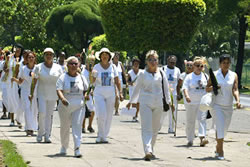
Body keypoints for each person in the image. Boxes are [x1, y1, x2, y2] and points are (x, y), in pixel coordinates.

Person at [127, 50, 172, 161]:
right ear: (147, 61)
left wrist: (169, 102)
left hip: (158, 103)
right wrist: (131, 101)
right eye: (150, 60)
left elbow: (166, 89)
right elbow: (137, 89)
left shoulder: (161, 73)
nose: (153, 62)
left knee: (156, 128)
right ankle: (147, 150)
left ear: (158, 61)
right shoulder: (142, 73)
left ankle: (151, 147)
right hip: (145, 102)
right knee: (146, 127)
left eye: (155, 60)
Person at [206, 54, 241, 160]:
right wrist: (214, 87)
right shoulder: (214, 74)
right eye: (223, 63)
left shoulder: (233, 75)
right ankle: (221, 150)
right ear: (220, 64)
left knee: (224, 129)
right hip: (217, 105)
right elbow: (207, 88)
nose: (226, 65)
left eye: (228, 63)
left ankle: (217, 146)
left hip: (228, 106)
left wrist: (237, 100)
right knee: (220, 126)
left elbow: (235, 89)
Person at [56, 56, 88, 158]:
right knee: (65, 127)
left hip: (78, 106)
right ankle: (64, 146)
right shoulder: (62, 77)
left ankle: (77, 148)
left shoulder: (82, 77)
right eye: (71, 64)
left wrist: (87, 95)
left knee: (77, 126)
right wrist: (62, 99)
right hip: (65, 106)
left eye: (75, 64)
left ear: (78, 65)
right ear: (67, 65)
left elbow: (86, 89)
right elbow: (59, 90)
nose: (73, 66)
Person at [30, 48, 63, 143]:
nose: (49, 56)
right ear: (44, 56)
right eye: (47, 54)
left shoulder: (58, 68)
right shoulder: (38, 67)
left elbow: (62, 81)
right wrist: (31, 93)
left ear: (53, 56)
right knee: (42, 113)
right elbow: (34, 81)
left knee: (49, 115)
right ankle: (40, 133)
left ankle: (47, 135)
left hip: (53, 94)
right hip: (42, 94)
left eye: (50, 54)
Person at [92, 48, 123, 143]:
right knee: (101, 114)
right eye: (103, 54)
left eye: (106, 54)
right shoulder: (96, 67)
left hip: (110, 92)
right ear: (100, 57)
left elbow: (117, 81)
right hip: (99, 92)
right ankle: (100, 134)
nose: (104, 56)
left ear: (109, 56)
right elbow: (92, 81)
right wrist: (91, 73)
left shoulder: (113, 67)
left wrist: (120, 92)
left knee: (109, 115)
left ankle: (104, 135)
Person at [182, 56, 208, 147]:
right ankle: (190, 139)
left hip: (202, 102)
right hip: (191, 103)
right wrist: (187, 96)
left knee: (202, 119)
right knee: (190, 121)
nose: (199, 67)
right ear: (193, 66)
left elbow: (208, 88)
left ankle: (202, 138)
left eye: (201, 66)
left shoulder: (205, 76)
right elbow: (184, 88)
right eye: (197, 65)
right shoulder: (189, 77)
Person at [12, 51, 38, 136]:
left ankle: (33, 127)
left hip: (35, 91)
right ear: (26, 59)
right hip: (25, 91)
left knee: (34, 110)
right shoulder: (23, 69)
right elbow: (20, 81)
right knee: (27, 108)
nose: (30, 59)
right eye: (29, 57)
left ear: (35, 59)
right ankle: (28, 129)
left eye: (32, 57)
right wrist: (14, 79)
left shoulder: (37, 68)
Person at [160, 55, 180, 133]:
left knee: (173, 111)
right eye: (171, 62)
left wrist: (178, 94)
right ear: (168, 61)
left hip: (174, 94)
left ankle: (171, 128)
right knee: (163, 111)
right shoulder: (163, 69)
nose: (172, 63)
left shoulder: (177, 70)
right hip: (164, 94)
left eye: (174, 62)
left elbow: (178, 84)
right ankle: (158, 126)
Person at [81, 54, 96, 133]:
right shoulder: (83, 71)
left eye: (93, 61)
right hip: (84, 92)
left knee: (92, 110)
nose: (91, 63)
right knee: (84, 110)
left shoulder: (94, 71)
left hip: (91, 93)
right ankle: (82, 127)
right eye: (89, 61)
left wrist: (93, 90)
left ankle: (89, 125)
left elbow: (94, 82)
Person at [127, 58, 142, 122]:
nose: (136, 65)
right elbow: (128, 81)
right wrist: (130, 83)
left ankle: (136, 115)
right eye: (135, 64)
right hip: (132, 89)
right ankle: (133, 116)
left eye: (137, 64)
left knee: (138, 103)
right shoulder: (130, 72)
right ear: (133, 65)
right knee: (133, 103)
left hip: (139, 89)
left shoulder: (141, 72)